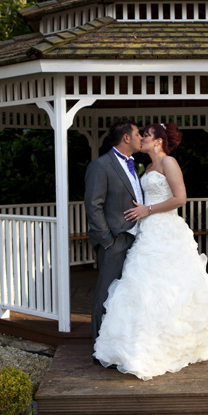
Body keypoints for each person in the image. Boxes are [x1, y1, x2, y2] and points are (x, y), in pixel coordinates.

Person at [93, 122, 208, 380]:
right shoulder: (148, 167)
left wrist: (147, 210)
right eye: (141, 135)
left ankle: (174, 337)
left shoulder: (168, 163)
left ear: (158, 141)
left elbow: (180, 198)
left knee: (170, 287)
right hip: (147, 233)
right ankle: (144, 340)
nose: (142, 139)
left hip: (166, 231)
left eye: (146, 135)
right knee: (144, 287)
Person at [84, 117, 143, 343]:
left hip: (136, 239)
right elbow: (93, 205)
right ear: (126, 137)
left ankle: (119, 342)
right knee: (106, 294)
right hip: (115, 240)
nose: (141, 137)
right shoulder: (100, 166)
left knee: (125, 294)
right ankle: (100, 346)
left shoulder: (133, 165)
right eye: (138, 134)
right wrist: (107, 240)